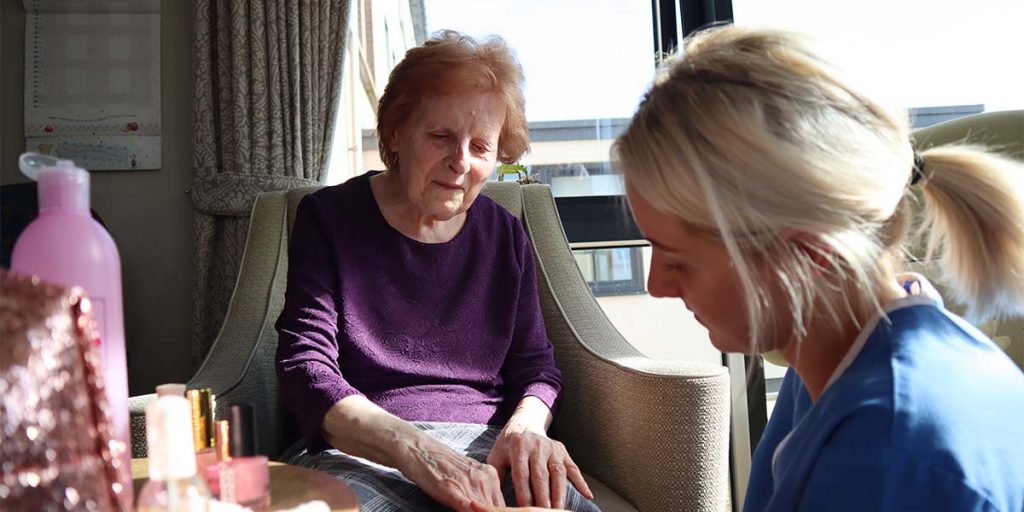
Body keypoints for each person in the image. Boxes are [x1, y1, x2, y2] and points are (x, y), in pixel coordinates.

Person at [479, 25, 1024, 512]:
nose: (656, 285)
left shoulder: (884, 452)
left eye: (678, 259)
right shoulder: (836, 366)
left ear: (805, 251)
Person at [275, 31, 597, 512]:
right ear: (395, 133)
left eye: (480, 146)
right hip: (364, 448)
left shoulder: (505, 234)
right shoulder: (328, 218)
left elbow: (536, 367)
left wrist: (526, 429)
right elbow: (306, 368)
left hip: (486, 448)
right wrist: (418, 451)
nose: (460, 163)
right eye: (441, 136)